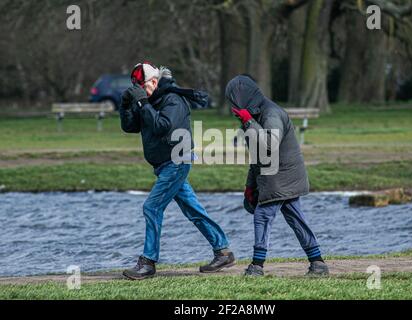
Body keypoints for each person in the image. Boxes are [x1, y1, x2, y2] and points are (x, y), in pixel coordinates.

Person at [120, 62, 235, 280]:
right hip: (164, 165)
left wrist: (143, 103)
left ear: (153, 81)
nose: (139, 92)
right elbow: (130, 126)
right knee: (193, 209)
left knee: (152, 207)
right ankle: (223, 251)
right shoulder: (150, 100)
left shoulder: (172, 99)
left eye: (141, 87)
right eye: (136, 88)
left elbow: (162, 126)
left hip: (177, 161)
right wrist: (126, 106)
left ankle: (148, 263)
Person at [225, 74, 329, 276]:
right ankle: (318, 263)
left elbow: (270, 146)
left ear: (243, 98)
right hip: (277, 176)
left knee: (262, 216)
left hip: (281, 176)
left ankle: (256, 267)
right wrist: (250, 186)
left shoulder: (271, 114)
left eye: (234, 102)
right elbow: (257, 156)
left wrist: (248, 121)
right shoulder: (254, 116)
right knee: (296, 218)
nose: (233, 108)